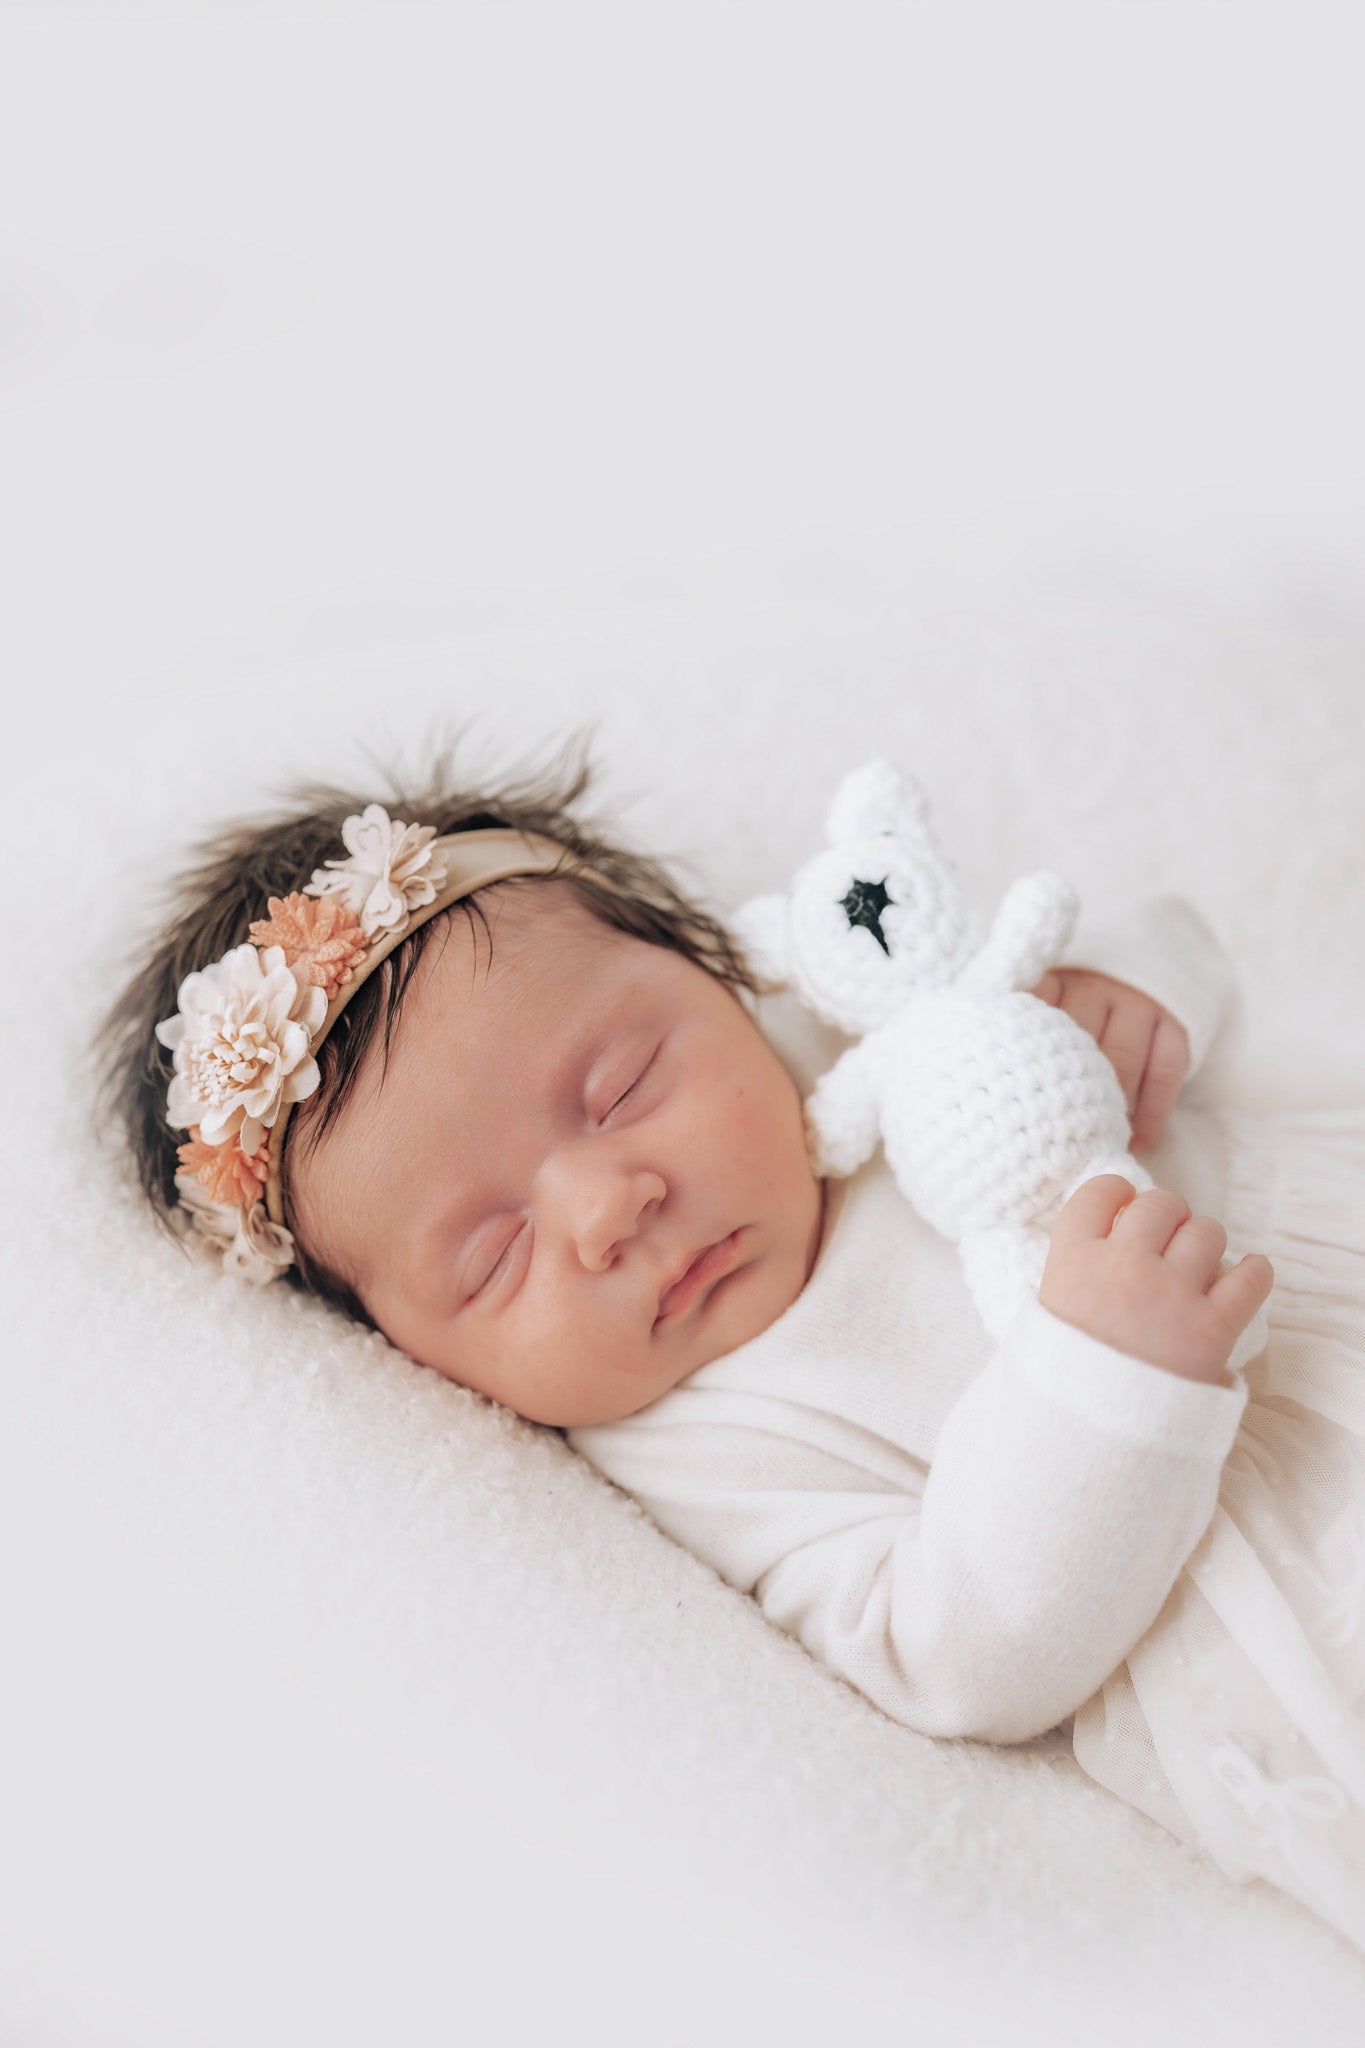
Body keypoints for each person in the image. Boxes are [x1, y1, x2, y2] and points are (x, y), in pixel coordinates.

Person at [100, 744, 1365, 1956]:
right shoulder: (704, 1436)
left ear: (714, 965)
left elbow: (1179, 938)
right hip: (1296, 1552)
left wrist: (1124, 997)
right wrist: (1105, 1393)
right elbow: (960, 1651)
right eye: (491, 1258)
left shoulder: (838, 1018)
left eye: (623, 1087)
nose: (607, 1208)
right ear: (416, 1361)